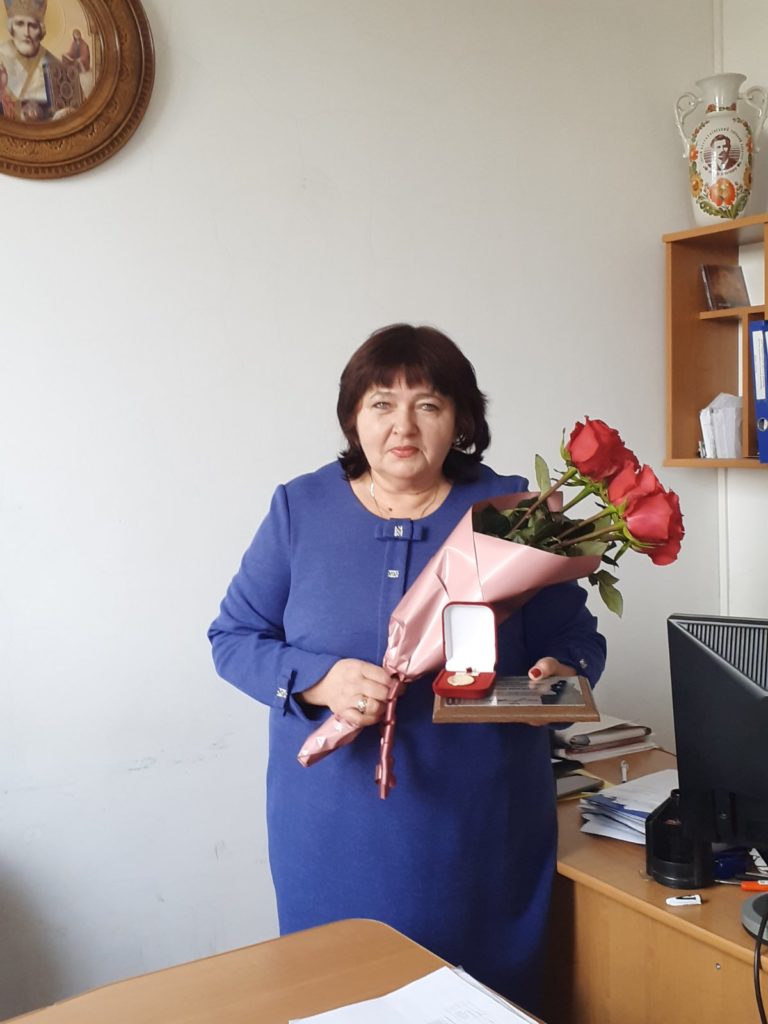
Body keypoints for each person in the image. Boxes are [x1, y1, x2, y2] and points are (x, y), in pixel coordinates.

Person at [208, 324, 606, 1014]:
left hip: (481, 831)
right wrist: (319, 678)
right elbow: (233, 638)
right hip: (331, 833)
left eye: (428, 404)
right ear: (352, 417)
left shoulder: (510, 512)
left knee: (479, 1006)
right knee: (339, 998)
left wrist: (559, 673)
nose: (404, 426)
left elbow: (577, 638)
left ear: (461, 420)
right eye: (381, 404)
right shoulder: (300, 509)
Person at [0, 0, 82, 122]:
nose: (26, 33)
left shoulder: (57, 68)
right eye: (20, 24)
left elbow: (75, 113)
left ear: (41, 29)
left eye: (32, 25)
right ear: (11, 27)